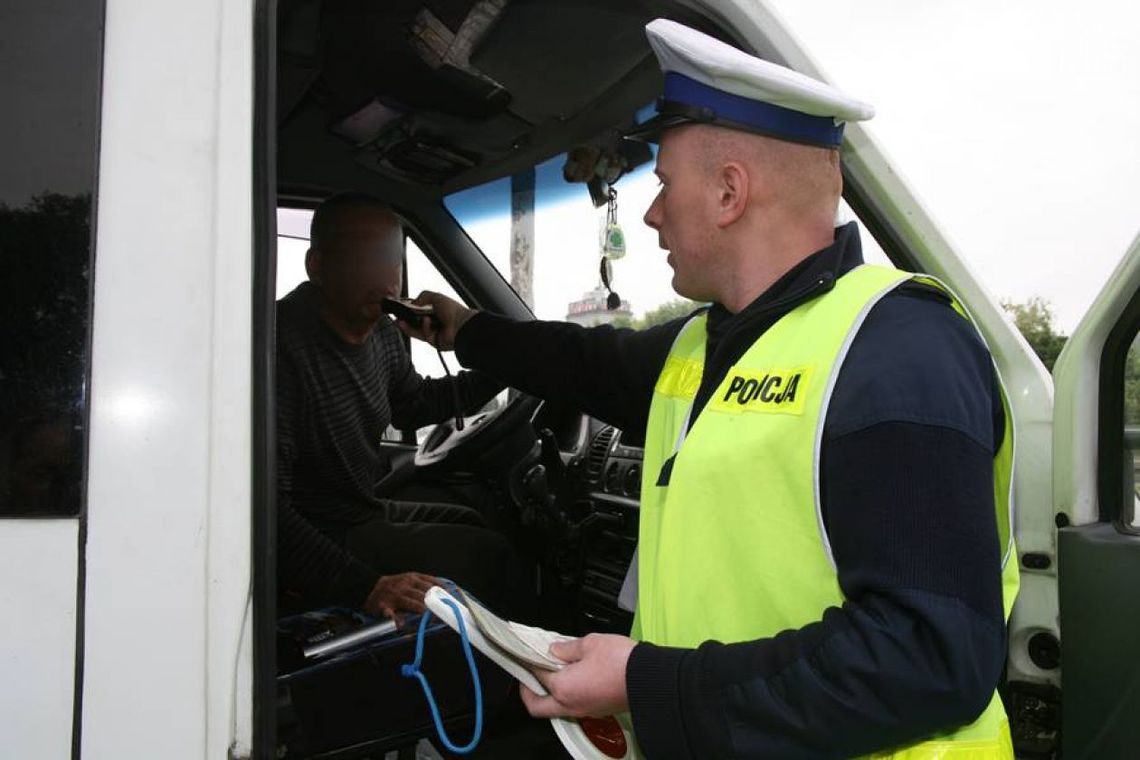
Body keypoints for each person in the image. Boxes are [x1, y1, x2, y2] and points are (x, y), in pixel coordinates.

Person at [398, 19, 1020, 760]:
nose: (654, 213)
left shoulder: (899, 352)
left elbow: (930, 659)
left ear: (730, 192)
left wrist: (646, 683)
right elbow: (583, 364)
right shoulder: (708, 341)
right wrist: (466, 330)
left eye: (661, 185)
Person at [276, 192, 510, 624]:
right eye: (365, 258)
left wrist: (507, 364)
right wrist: (365, 586)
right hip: (324, 529)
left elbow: (413, 404)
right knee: (491, 557)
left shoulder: (382, 332)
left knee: (476, 519)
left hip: (362, 508)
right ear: (317, 266)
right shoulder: (279, 347)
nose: (386, 277)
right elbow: (267, 510)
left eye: (391, 259)